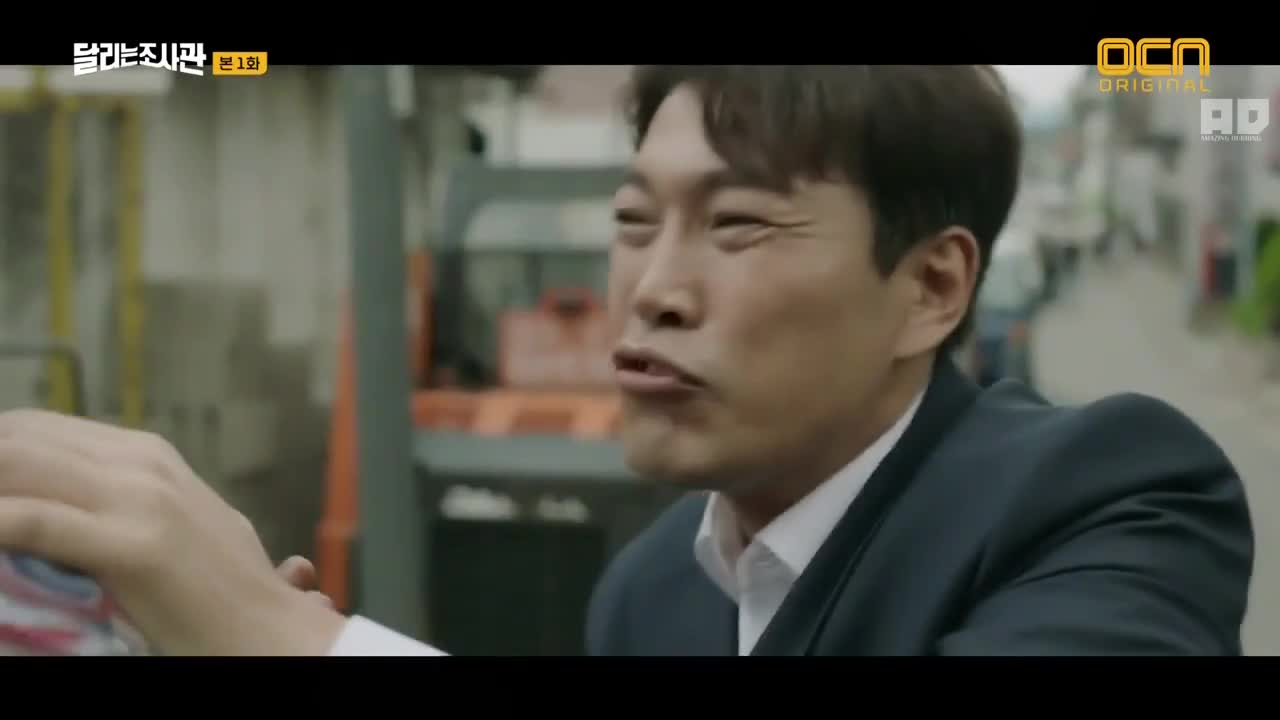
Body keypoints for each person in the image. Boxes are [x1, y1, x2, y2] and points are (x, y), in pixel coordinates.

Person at [0, 65, 1255, 656]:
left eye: (738, 224)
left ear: (930, 287)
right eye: (631, 220)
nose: (652, 287)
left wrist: (290, 646)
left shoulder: (1110, 500)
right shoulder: (649, 594)